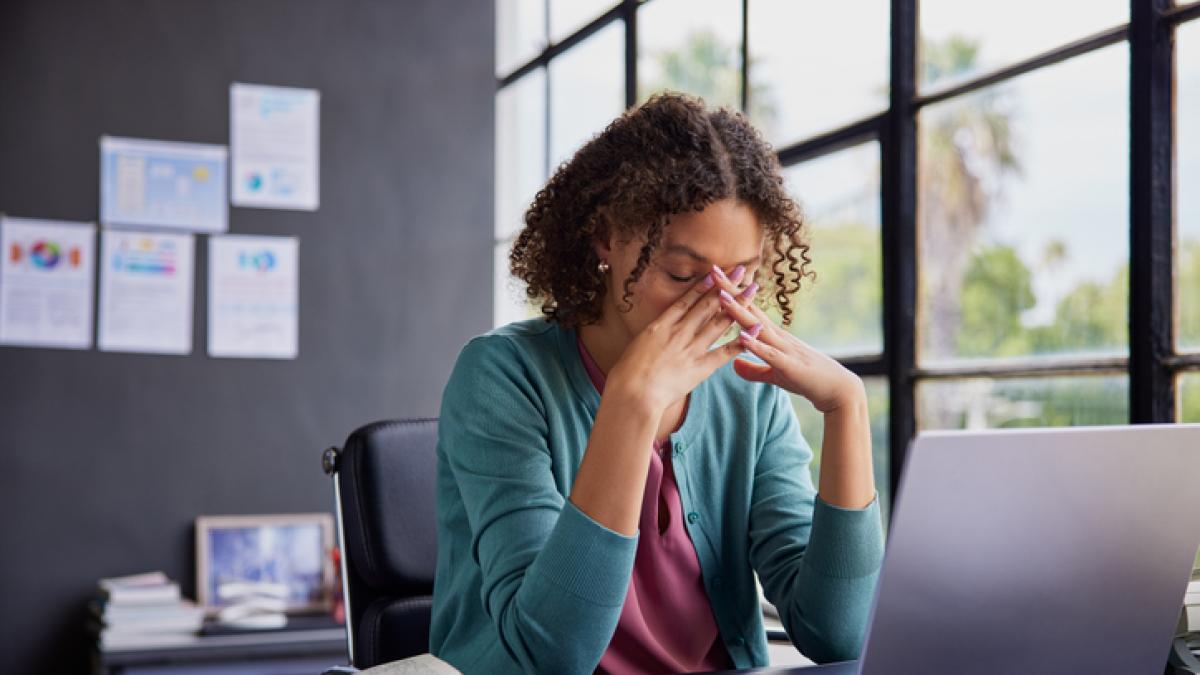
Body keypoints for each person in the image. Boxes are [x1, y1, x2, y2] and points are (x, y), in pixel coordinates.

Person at [429, 92, 883, 675]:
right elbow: (550, 655)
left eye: (740, 277)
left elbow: (839, 635)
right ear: (605, 238)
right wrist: (630, 404)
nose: (715, 303)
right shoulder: (501, 377)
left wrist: (846, 407)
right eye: (682, 273)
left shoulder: (748, 389)